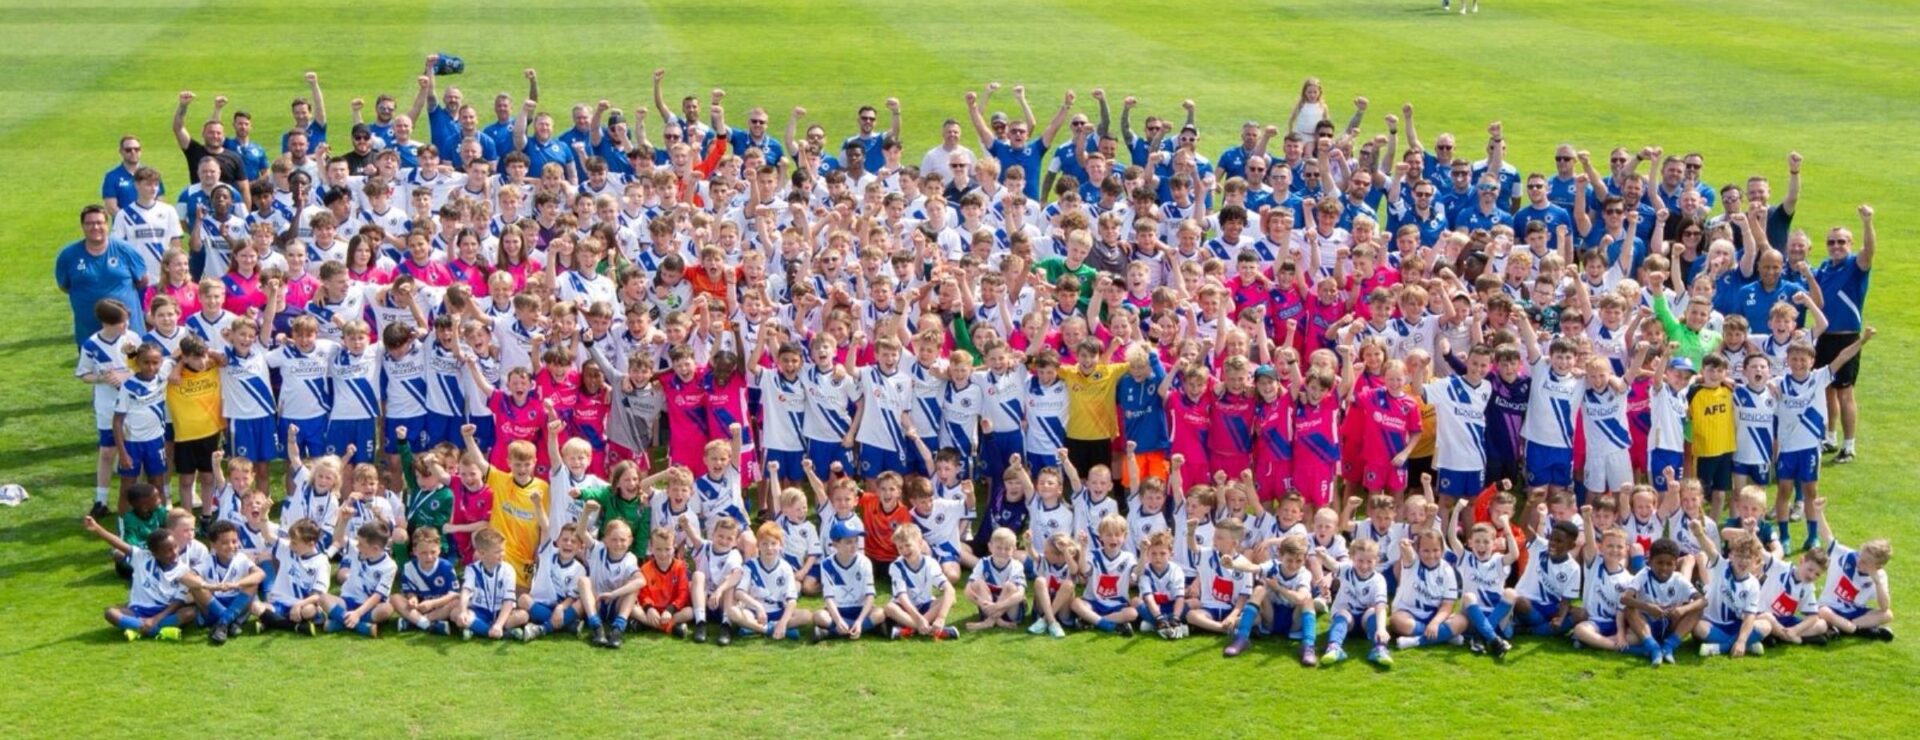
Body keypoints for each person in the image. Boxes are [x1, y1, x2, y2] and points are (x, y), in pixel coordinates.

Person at [1813, 205, 1874, 463]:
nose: (1836, 246)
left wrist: (1867, 223)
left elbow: (1869, 252)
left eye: (1841, 242)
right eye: (1831, 242)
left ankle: (1849, 446)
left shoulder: (1855, 266)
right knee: (1827, 388)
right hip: (1824, 337)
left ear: (1850, 244)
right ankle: (1830, 436)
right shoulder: (1824, 268)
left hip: (1846, 337)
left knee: (1844, 392)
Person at [82, 516, 192, 640]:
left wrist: (156, 618)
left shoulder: (183, 569)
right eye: (168, 551)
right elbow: (120, 544)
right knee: (110, 613)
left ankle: (137, 629)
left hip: (164, 611)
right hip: (138, 611)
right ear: (154, 553)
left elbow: (179, 601)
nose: (175, 553)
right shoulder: (142, 557)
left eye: (175, 547)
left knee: (190, 612)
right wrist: (97, 528)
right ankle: (161, 631)